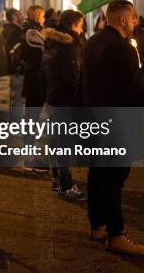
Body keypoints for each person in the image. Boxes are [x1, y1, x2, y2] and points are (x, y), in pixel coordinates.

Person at [82, 0, 144, 256]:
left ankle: (97, 225)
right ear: (123, 19)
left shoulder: (92, 42)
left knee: (98, 174)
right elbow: (134, 93)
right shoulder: (122, 48)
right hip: (118, 124)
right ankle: (116, 234)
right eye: (133, 18)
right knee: (113, 180)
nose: (135, 23)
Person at [42, 10, 87, 200]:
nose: (82, 28)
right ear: (73, 25)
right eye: (81, 24)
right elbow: (71, 77)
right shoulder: (69, 45)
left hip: (53, 95)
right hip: (65, 98)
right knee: (64, 142)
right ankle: (66, 185)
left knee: (56, 139)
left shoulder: (52, 41)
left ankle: (57, 179)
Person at [1, 8, 26, 108]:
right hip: (17, 70)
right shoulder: (14, 32)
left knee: (16, 97)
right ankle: (15, 122)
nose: (22, 16)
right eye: (19, 14)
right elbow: (12, 52)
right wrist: (18, 67)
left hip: (15, 69)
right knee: (17, 99)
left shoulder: (12, 30)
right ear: (14, 17)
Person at [22, 5, 46, 108]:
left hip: (30, 69)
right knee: (35, 103)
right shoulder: (35, 31)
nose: (44, 18)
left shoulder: (26, 28)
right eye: (43, 16)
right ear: (37, 15)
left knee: (31, 103)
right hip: (37, 70)